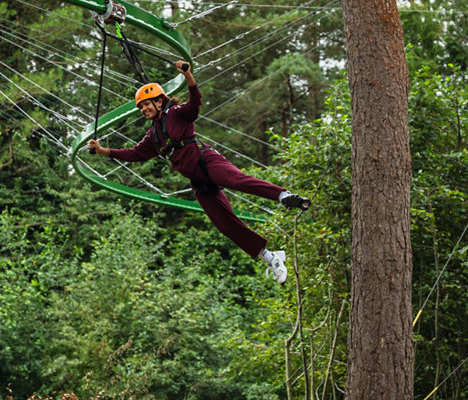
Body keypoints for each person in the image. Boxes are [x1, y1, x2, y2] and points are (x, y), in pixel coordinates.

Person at [88, 60, 310, 284]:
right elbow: (134, 154)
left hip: (206, 161)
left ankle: (283, 195)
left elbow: (195, 103)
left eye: (147, 104)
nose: (144, 110)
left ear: (159, 101)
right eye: (141, 108)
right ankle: (271, 258)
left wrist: (188, 76)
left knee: (237, 180)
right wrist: (103, 151)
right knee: (225, 224)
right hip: (198, 180)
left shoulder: (176, 113)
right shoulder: (153, 136)